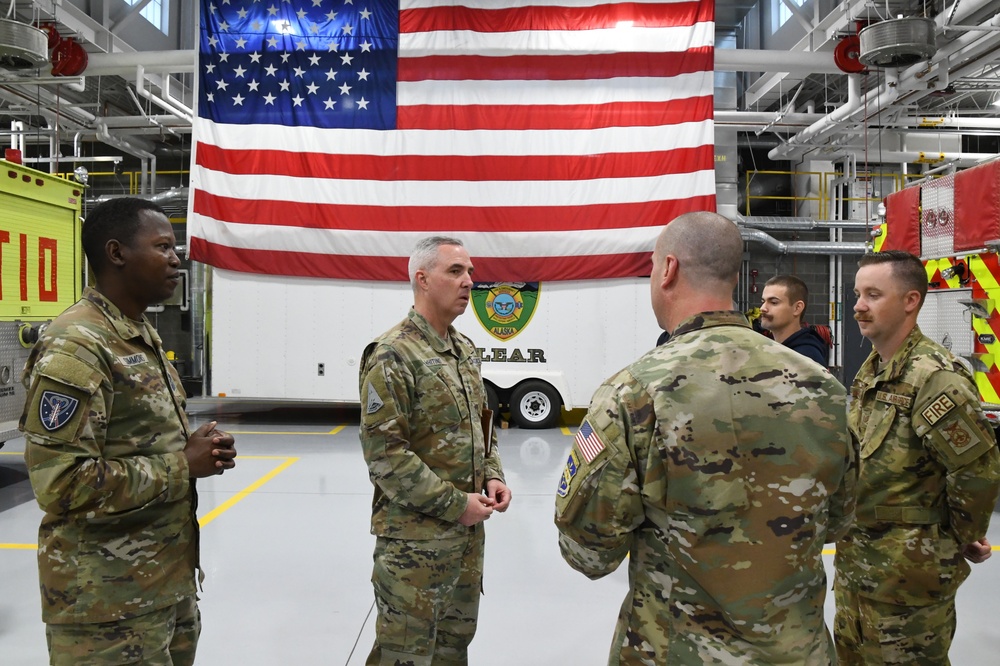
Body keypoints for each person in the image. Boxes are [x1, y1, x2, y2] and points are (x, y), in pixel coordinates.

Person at [554, 212, 858, 664]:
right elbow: (838, 519)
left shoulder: (636, 392)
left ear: (669, 270)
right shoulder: (824, 387)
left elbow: (587, 551)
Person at [19, 197, 236, 665]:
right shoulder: (78, 345)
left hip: (161, 585)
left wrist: (200, 451)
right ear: (116, 253)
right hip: (105, 606)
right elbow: (60, 483)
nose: (176, 258)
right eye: (162, 246)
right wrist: (182, 465)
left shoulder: (136, 333)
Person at [835, 250, 1000, 665]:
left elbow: (976, 471)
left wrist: (960, 537)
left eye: (873, 294)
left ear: (911, 300)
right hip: (860, 569)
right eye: (858, 293)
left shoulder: (934, 377)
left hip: (908, 579)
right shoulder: (872, 370)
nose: (858, 305)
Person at [358, 236, 511, 665]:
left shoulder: (464, 352)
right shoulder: (392, 355)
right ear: (422, 279)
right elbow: (386, 456)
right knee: (404, 653)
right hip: (415, 550)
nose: (469, 282)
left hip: (465, 544)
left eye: (471, 272)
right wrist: (455, 504)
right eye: (455, 271)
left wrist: (493, 474)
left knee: (452, 650)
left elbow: (484, 426)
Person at [759, 274, 829, 365]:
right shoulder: (776, 350)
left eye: (773, 302)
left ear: (797, 308)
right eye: (763, 301)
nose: (762, 308)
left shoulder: (806, 358)